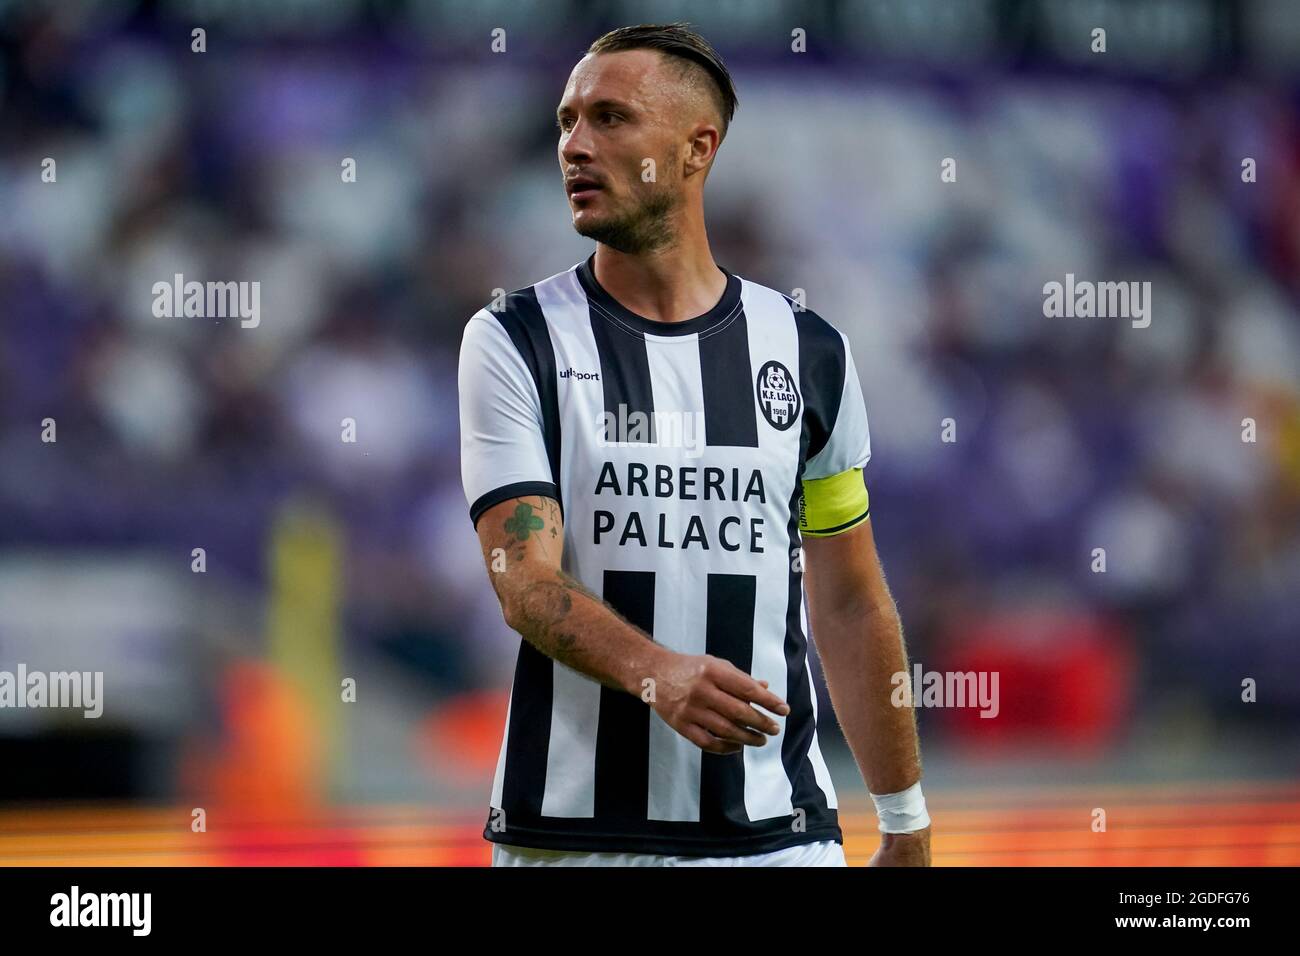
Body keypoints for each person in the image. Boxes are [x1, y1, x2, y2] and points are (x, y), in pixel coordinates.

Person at [458, 22, 930, 867]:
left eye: (610, 118)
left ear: (695, 148)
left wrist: (902, 816)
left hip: (777, 838)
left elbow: (851, 600)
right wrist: (655, 672)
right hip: (571, 842)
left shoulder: (808, 351)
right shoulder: (514, 338)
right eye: (566, 121)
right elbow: (522, 582)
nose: (574, 144)